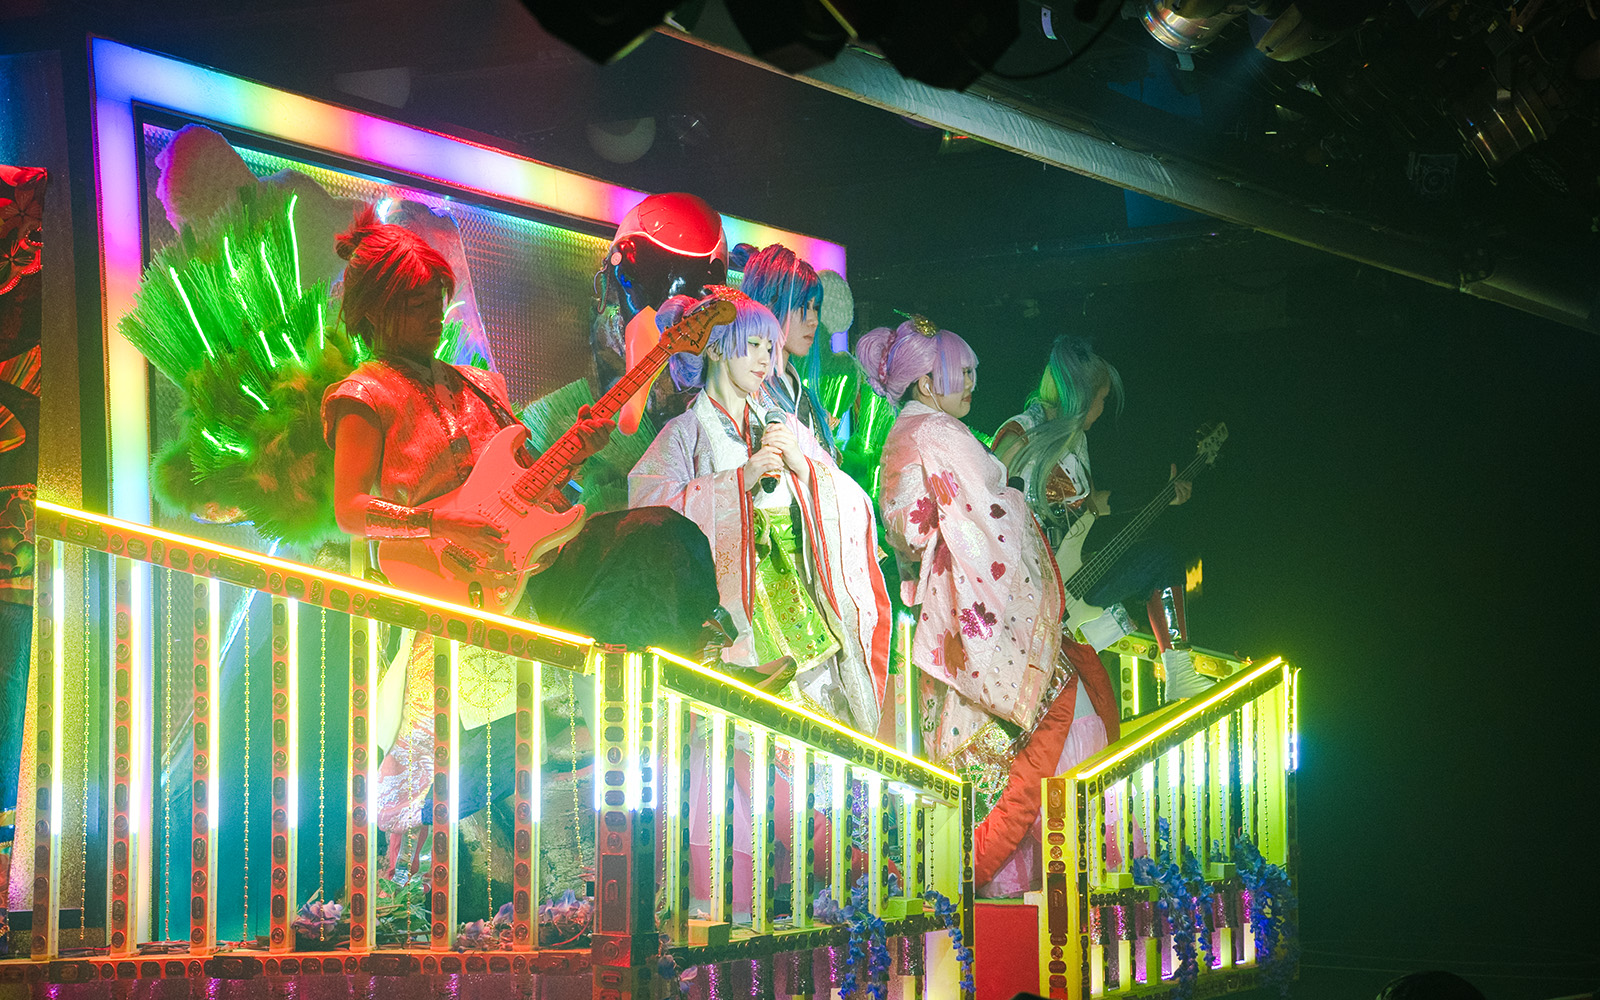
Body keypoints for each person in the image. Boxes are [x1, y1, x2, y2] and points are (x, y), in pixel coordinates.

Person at [859, 315, 1120, 894]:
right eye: (962, 374)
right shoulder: (938, 433)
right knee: (1053, 717)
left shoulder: (906, 432)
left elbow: (920, 524)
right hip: (964, 609)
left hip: (938, 615)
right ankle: (1042, 885)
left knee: (963, 749)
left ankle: (972, 887)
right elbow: (988, 510)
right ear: (927, 383)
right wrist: (1015, 505)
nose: (973, 383)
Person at [629, 287, 891, 734]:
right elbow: (647, 511)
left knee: (817, 723)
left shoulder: (784, 425)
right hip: (733, 603)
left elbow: (856, 502)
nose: (765, 359)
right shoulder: (685, 432)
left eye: (770, 348)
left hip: (798, 592)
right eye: (752, 345)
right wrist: (736, 483)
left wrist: (804, 468)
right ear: (715, 349)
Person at [990, 335, 1209, 702]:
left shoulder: (1076, 440)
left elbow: (1090, 505)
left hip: (1070, 582)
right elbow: (985, 506)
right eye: (1103, 399)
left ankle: (1180, 672)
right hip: (1023, 593)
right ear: (1083, 396)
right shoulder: (1021, 432)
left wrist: (1159, 496)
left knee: (1162, 559)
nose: (1103, 409)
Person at [738, 242, 838, 459]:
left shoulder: (804, 394)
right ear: (769, 304)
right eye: (803, 306)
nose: (813, 320)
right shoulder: (745, 390)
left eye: (816, 308)